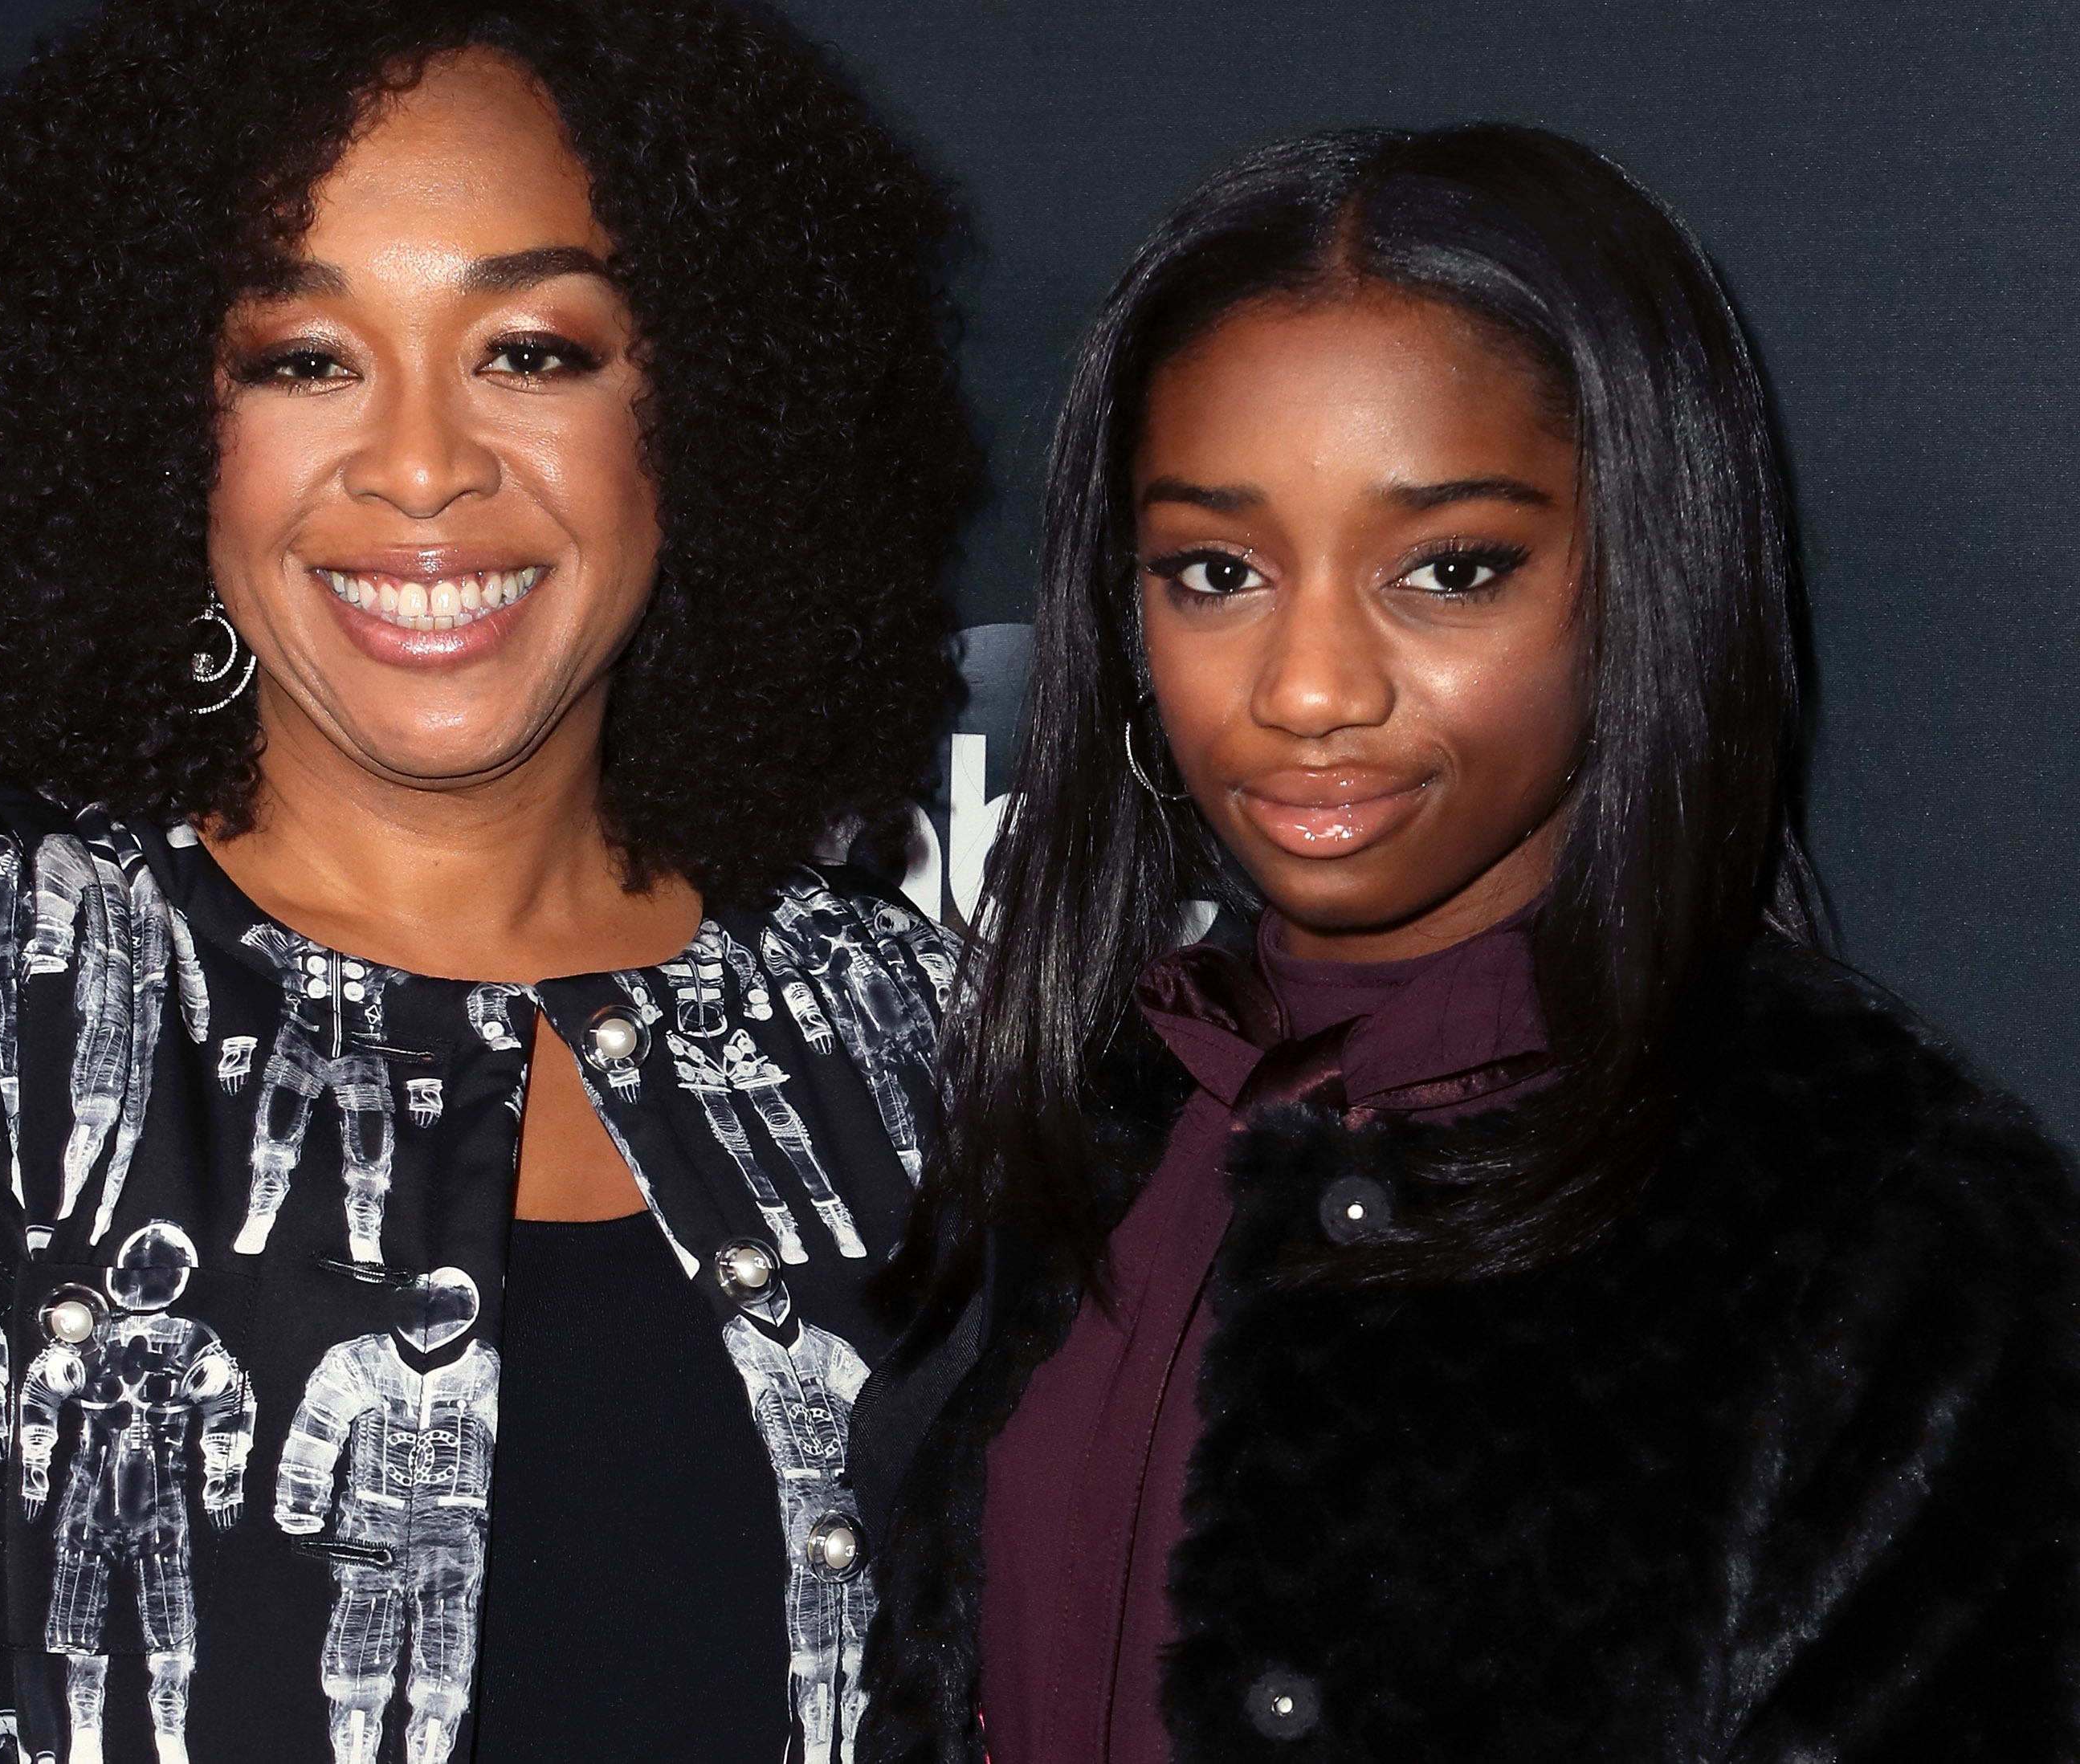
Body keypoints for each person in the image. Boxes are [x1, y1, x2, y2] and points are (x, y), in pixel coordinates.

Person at [0, 0, 981, 1764]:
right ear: (154, 432)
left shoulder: (902, 1028)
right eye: (302, 357)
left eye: (533, 350)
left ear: (702, 417)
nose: (424, 464)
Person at [853, 127, 2080, 1763]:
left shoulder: (1890, 1235)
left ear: (1642, 573)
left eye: (1449, 570)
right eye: (1215, 572)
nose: (1306, 689)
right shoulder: (1086, 1121)